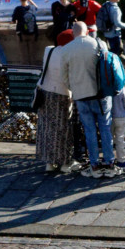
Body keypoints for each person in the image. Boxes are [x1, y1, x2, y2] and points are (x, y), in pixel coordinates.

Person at [63, 20, 120, 177]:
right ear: (87, 31)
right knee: (105, 128)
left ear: (73, 33)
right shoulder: (99, 44)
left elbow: (64, 77)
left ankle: (94, 165)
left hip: (81, 95)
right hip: (101, 94)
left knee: (89, 130)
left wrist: (74, 88)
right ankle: (109, 163)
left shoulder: (66, 49)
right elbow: (108, 66)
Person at [35, 33, 79, 173]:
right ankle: (65, 162)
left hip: (45, 92)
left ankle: (49, 162)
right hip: (62, 94)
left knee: (47, 128)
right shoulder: (70, 54)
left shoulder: (49, 50)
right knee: (63, 129)